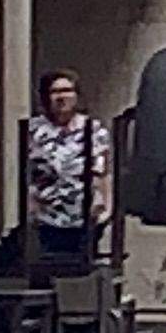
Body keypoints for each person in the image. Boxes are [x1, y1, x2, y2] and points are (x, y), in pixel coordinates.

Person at [24, 72, 111, 268]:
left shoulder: (93, 129)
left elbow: (102, 170)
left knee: (83, 270)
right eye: (55, 92)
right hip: (46, 218)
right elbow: (26, 171)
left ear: (76, 95)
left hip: (84, 216)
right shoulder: (33, 130)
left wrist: (106, 207)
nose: (61, 97)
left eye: (66, 91)